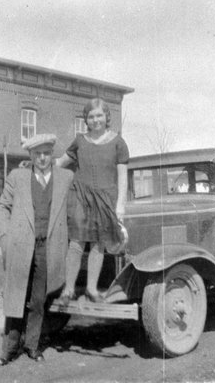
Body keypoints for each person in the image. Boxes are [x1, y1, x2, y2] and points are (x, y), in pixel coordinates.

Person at [0, 134, 73, 366]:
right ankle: (9, 349)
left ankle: (32, 346)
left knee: (38, 300)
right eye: (37, 154)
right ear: (30, 155)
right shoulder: (18, 176)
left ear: (52, 154)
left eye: (46, 153)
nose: (42, 158)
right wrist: (5, 237)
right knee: (16, 297)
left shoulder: (66, 178)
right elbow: (2, 207)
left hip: (47, 248)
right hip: (20, 246)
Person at [56, 98, 129, 304]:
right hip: (81, 197)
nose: (95, 120)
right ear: (86, 119)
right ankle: (68, 290)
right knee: (76, 243)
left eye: (99, 115)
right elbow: (61, 163)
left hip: (106, 199)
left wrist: (120, 206)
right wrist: (39, 164)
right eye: (91, 116)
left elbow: (123, 177)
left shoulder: (118, 143)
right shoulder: (80, 141)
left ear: (107, 117)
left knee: (99, 244)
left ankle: (91, 289)